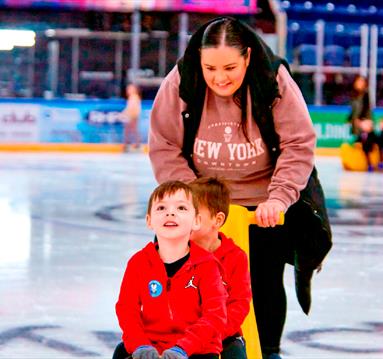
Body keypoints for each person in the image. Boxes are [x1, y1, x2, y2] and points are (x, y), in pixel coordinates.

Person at [148, 16, 332, 359]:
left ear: (247, 57)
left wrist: (278, 199)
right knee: (191, 282)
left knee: (262, 281)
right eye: (210, 68)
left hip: (262, 204)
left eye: (230, 67)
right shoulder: (182, 81)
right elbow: (164, 146)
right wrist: (192, 201)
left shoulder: (271, 80)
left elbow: (298, 143)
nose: (220, 78)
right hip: (202, 204)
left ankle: (269, 350)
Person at [113, 180, 227, 359]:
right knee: (121, 352)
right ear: (149, 220)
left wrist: (184, 348)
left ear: (196, 221)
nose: (170, 212)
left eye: (181, 208)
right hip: (151, 346)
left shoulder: (207, 265)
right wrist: (139, 343)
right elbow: (127, 309)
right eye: (161, 208)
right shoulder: (139, 263)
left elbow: (215, 315)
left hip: (197, 349)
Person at [189, 176, 251, 359]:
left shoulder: (236, 258)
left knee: (235, 354)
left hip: (223, 336)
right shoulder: (174, 251)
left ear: (217, 220)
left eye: (193, 213)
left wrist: (213, 333)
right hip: (182, 333)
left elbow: (239, 304)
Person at [347, 75, 382, 171]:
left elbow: (365, 111)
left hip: (366, 123)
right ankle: (370, 163)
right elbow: (352, 112)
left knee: (369, 140)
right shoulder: (353, 96)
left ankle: (373, 163)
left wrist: (363, 122)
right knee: (361, 141)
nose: (360, 84)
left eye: (362, 82)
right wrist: (351, 121)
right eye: (358, 82)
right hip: (357, 125)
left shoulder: (365, 95)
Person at [119, 83, 142, 151]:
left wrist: (125, 113)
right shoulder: (133, 97)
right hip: (132, 115)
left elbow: (133, 107)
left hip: (133, 116)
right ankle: (128, 144)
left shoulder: (134, 97)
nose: (128, 90)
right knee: (129, 130)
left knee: (132, 130)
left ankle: (135, 144)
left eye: (130, 89)